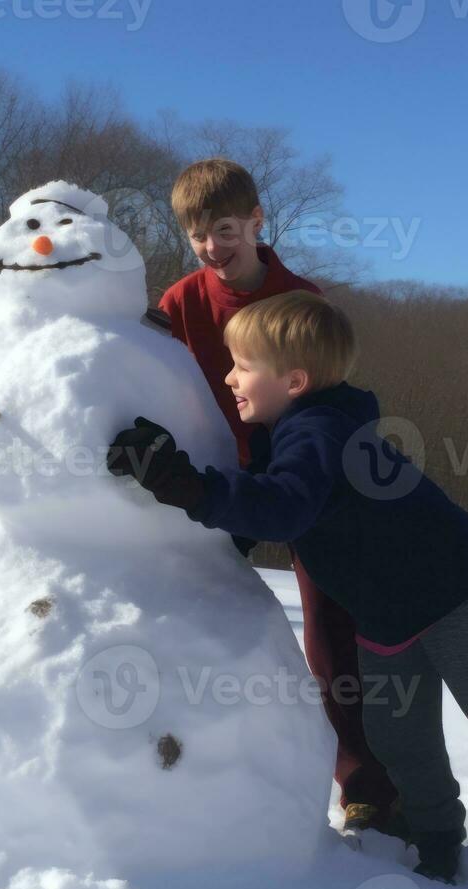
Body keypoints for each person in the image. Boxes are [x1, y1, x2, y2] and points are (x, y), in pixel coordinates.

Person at [107, 290, 468, 889]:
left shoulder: (321, 431)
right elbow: (264, 509)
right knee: (399, 734)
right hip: (386, 610)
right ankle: (436, 833)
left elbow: (284, 507)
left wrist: (183, 484)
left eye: (241, 366)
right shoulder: (289, 429)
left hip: (452, 594)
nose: (229, 377)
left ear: (293, 380)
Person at [158, 158, 401, 837]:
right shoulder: (180, 300)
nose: (213, 247)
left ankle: (366, 787)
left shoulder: (300, 298)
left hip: (299, 477)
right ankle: (188, 761)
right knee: (188, 606)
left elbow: (325, 401)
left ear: (258, 222)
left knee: (330, 633)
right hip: (219, 481)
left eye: (226, 230)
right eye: (198, 234)